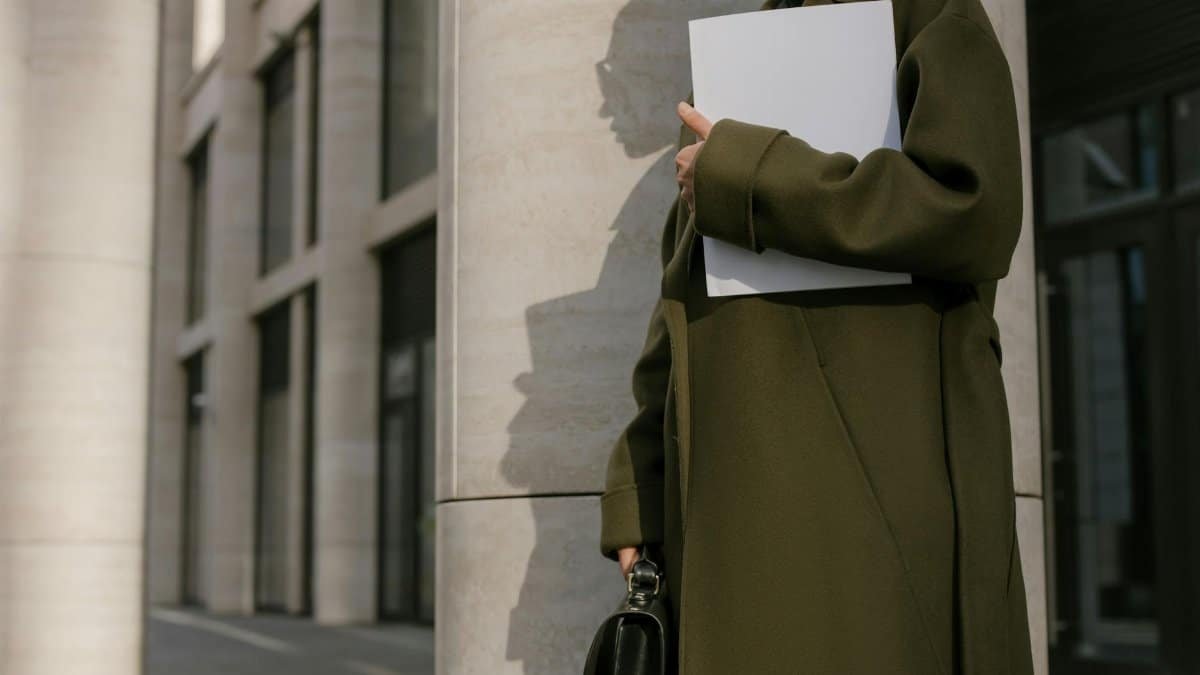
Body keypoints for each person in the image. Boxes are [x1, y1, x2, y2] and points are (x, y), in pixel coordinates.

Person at [598, 0, 1036, 673]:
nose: (607, 94)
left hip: (872, 506)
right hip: (728, 511)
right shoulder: (748, 48)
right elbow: (682, 301)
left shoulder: (929, 10)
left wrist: (750, 176)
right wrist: (639, 493)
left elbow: (976, 209)